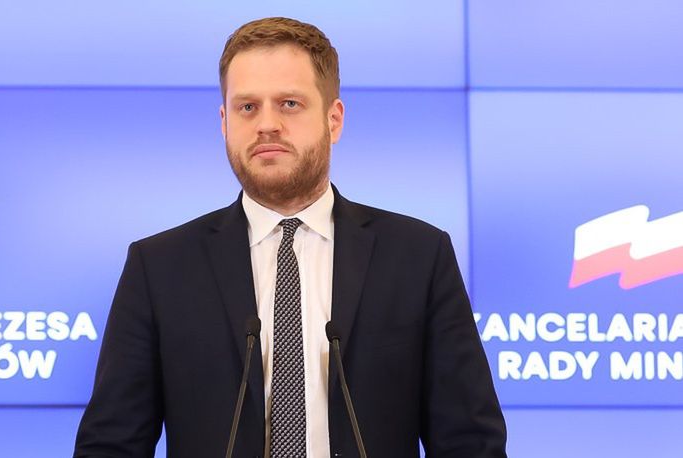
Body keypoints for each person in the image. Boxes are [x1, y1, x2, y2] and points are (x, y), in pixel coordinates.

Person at [74, 17, 507, 458]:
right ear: (224, 122)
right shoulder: (159, 267)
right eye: (247, 107)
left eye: (289, 104)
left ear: (333, 120)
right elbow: (111, 445)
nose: (267, 124)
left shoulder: (418, 257)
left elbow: (471, 442)